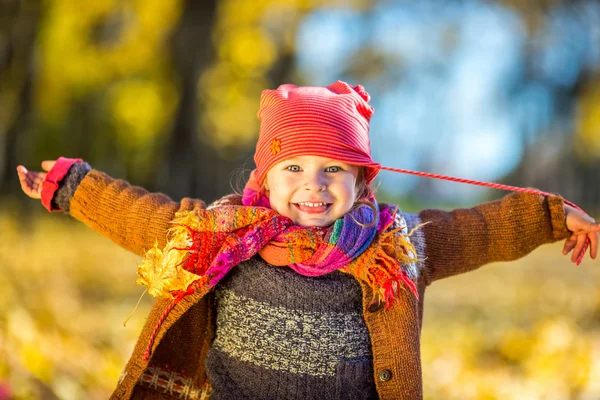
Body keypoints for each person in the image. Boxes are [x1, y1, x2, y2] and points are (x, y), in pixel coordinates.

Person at [16, 81, 599, 400]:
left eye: (333, 170)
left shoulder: (393, 245)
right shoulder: (221, 234)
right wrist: (73, 188)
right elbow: (142, 218)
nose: (312, 187)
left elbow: (478, 230)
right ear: (263, 176)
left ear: (361, 180)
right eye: (292, 168)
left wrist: (549, 218)